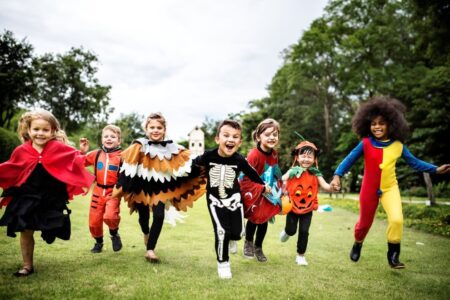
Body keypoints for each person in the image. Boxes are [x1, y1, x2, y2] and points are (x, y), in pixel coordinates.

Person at [330, 96, 450, 269]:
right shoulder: (365, 143)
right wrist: (337, 175)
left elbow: (415, 162)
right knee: (364, 224)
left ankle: (393, 255)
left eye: (381, 123)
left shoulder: (398, 145)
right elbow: (348, 160)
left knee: (397, 220)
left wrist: (436, 169)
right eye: (373, 123)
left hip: (390, 188)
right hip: (368, 189)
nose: (377, 127)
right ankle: (358, 243)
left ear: (391, 125)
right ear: (367, 125)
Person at [0, 110, 94, 276]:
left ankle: (51, 231)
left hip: (51, 196)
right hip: (27, 195)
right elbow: (11, 166)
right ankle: (27, 265)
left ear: (52, 132)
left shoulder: (58, 148)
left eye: (45, 130)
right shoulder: (21, 150)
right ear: (28, 130)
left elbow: (74, 160)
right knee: (26, 229)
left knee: (51, 230)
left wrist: (83, 153)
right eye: (36, 129)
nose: (40, 133)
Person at [113, 112, 205, 263]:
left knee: (159, 216)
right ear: (146, 129)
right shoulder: (139, 146)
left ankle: (150, 250)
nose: (155, 130)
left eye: (159, 127)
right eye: (152, 127)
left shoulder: (172, 148)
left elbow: (189, 161)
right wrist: (122, 186)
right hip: (141, 189)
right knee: (144, 218)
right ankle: (145, 233)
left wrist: (207, 161)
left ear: (164, 129)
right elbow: (125, 163)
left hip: (160, 191)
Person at [192, 119, 270, 279]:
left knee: (236, 233)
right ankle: (223, 263)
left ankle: (232, 238)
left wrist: (263, 185)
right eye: (226, 135)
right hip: (214, 199)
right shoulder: (208, 156)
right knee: (221, 231)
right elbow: (192, 167)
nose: (230, 139)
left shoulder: (239, 159)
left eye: (235, 137)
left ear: (239, 142)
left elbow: (252, 173)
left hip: (234, 199)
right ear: (217, 139)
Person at [279, 140, 331, 266]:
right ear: (297, 157)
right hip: (293, 206)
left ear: (314, 159)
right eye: (303, 156)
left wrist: (333, 187)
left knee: (304, 231)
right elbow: (282, 179)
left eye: (309, 156)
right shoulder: (293, 171)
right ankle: (287, 231)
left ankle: (300, 255)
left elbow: (325, 186)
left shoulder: (315, 173)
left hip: (308, 208)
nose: (306, 159)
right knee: (292, 230)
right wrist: (286, 178)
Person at [239, 118, 283, 262]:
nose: (272, 137)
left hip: (268, 192)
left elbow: (274, 170)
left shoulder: (274, 154)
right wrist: (260, 188)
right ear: (258, 137)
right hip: (254, 190)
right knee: (254, 218)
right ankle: (249, 242)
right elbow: (246, 177)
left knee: (264, 219)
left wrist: (280, 189)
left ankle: (258, 247)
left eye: (275, 134)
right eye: (267, 134)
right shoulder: (254, 155)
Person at [79, 125, 123, 253]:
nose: (109, 139)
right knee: (94, 221)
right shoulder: (96, 154)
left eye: (113, 137)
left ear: (119, 140)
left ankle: (114, 234)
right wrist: (82, 152)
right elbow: (80, 162)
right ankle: (98, 242)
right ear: (102, 139)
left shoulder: (122, 156)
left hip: (113, 192)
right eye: (106, 136)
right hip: (98, 191)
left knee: (110, 216)